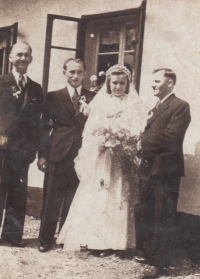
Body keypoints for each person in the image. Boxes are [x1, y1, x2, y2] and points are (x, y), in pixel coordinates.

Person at [56, 64, 145, 256]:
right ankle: (97, 241)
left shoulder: (134, 104)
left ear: (128, 84)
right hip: (102, 155)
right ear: (109, 83)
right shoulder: (101, 102)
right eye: (114, 83)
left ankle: (117, 242)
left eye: (122, 83)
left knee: (118, 194)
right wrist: (101, 140)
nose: (118, 87)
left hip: (121, 157)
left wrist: (122, 139)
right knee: (99, 194)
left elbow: (137, 128)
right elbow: (90, 129)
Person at [135, 68, 191, 278]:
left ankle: (159, 265)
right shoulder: (156, 106)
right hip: (150, 168)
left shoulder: (180, 106)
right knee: (149, 212)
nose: (152, 85)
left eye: (157, 81)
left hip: (166, 170)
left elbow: (170, 136)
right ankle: (150, 256)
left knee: (163, 216)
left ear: (170, 83)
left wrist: (139, 143)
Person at [37, 58, 94, 252]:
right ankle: (44, 240)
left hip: (82, 156)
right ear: (65, 73)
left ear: (84, 73)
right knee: (52, 198)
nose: (75, 76)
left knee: (74, 198)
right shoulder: (54, 97)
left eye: (79, 72)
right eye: (71, 72)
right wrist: (42, 156)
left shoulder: (93, 97)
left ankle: (65, 238)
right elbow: (44, 128)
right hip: (58, 153)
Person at [0, 42, 43, 247]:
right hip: (1, 149)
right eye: (19, 55)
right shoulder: (1, 82)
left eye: (27, 55)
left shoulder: (35, 88)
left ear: (31, 59)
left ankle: (12, 236)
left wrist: (32, 149)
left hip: (22, 151)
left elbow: (37, 122)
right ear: (10, 58)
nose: (23, 59)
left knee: (18, 194)